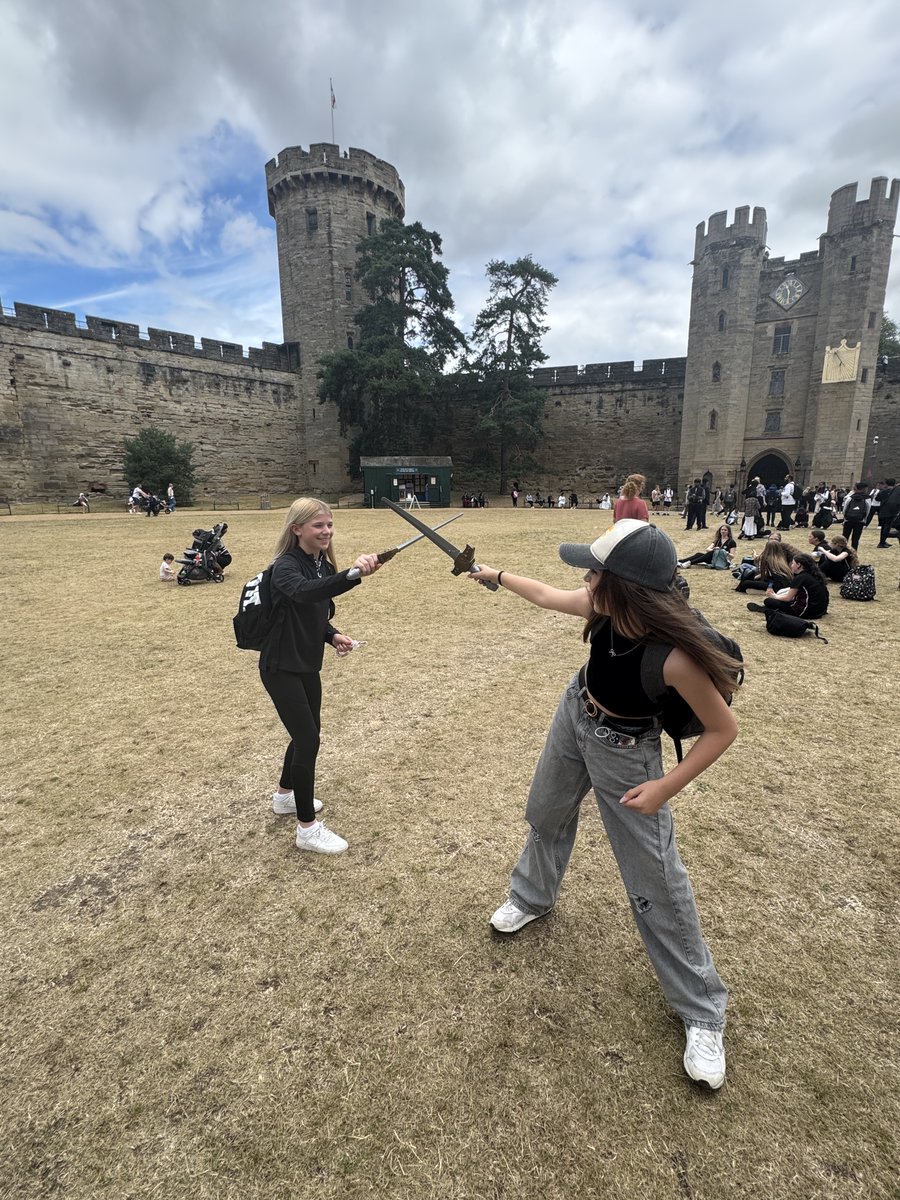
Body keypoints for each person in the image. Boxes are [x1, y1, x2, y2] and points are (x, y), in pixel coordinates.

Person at [465, 519, 739, 1089]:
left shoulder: (675, 656)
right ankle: (532, 897)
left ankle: (702, 1010)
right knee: (546, 814)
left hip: (627, 751)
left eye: (593, 570)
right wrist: (490, 573)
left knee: (653, 877)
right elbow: (544, 593)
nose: (585, 578)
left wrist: (665, 787)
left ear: (624, 585)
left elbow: (722, 729)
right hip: (576, 714)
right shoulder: (604, 606)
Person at [260, 498, 384, 855]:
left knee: (307, 733)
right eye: (318, 526)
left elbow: (312, 611)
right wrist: (351, 575)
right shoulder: (285, 566)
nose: (326, 531)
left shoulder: (317, 564)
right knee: (308, 739)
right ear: (296, 529)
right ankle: (307, 830)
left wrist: (332, 636)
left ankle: (284, 797)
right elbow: (302, 593)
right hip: (280, 667)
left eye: (329, 525)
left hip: (306, 662)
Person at [746, 552, 829, 620]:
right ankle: (771, 608)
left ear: (799, 565)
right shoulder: (816, 575)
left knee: (769, 601)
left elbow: (788, 598)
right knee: (783, 598)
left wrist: (773, 596)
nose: (791, 566)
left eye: (793, 563)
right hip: (819, 611)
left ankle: (768, 609)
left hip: (805, 613)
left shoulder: (800, 578)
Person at [841, 483, 869, 550]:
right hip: (860, 520)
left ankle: (842, 552)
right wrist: (864, 519)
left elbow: (845, 508)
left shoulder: (850, 497)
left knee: (845, 537)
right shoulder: (867, 498)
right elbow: (868, 510)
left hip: (849, 519)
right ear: (864, 489)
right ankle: (854, 554)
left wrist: (845, 517)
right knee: (855, 539)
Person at [875, 478, 900, 548]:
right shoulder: (897, 491)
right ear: (894, 483)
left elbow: (877, 498)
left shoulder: (883, 491)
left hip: (883, 510)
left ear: (886, 484)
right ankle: (882, 542)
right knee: (887, 527)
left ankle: (882, 541)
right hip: (892, 511)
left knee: (884, 527)